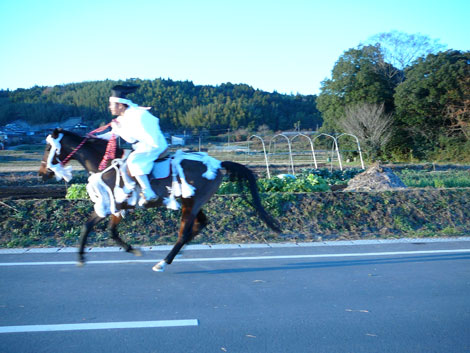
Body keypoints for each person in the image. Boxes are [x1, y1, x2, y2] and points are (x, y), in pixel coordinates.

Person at [103, 84, 168, 203]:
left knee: (133, 160)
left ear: (120, 105)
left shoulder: (138, 115)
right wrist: (92, 137)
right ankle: (130, 187)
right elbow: (113, 134)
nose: (109, 108)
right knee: (123, 163)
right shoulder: (122, 118)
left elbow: (136, 136)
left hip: (153, 144)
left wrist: (120, 129)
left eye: (111, 105)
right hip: (141, 145)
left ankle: (149, 192)